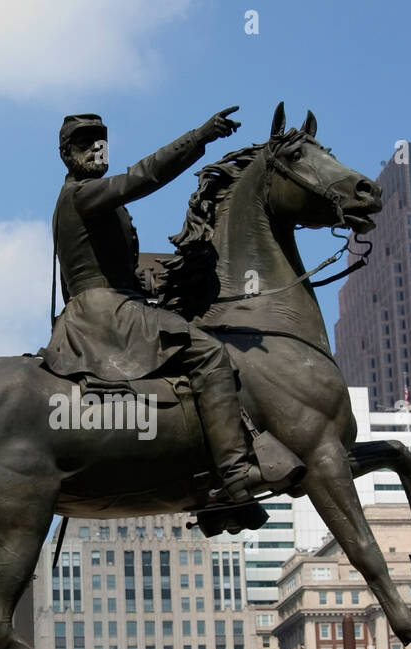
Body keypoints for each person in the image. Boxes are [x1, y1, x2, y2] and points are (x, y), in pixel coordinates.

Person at [41, 108, 267, 502]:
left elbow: (116, 269)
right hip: (103, 314)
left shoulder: (93, 201)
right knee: (210, 355)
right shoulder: (81, 194)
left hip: (113, 302)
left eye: (100, 140)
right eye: (84, 142)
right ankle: (235, 472)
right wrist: (199, 137)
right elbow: (144, 176)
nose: (96, 148)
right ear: (65, 153)